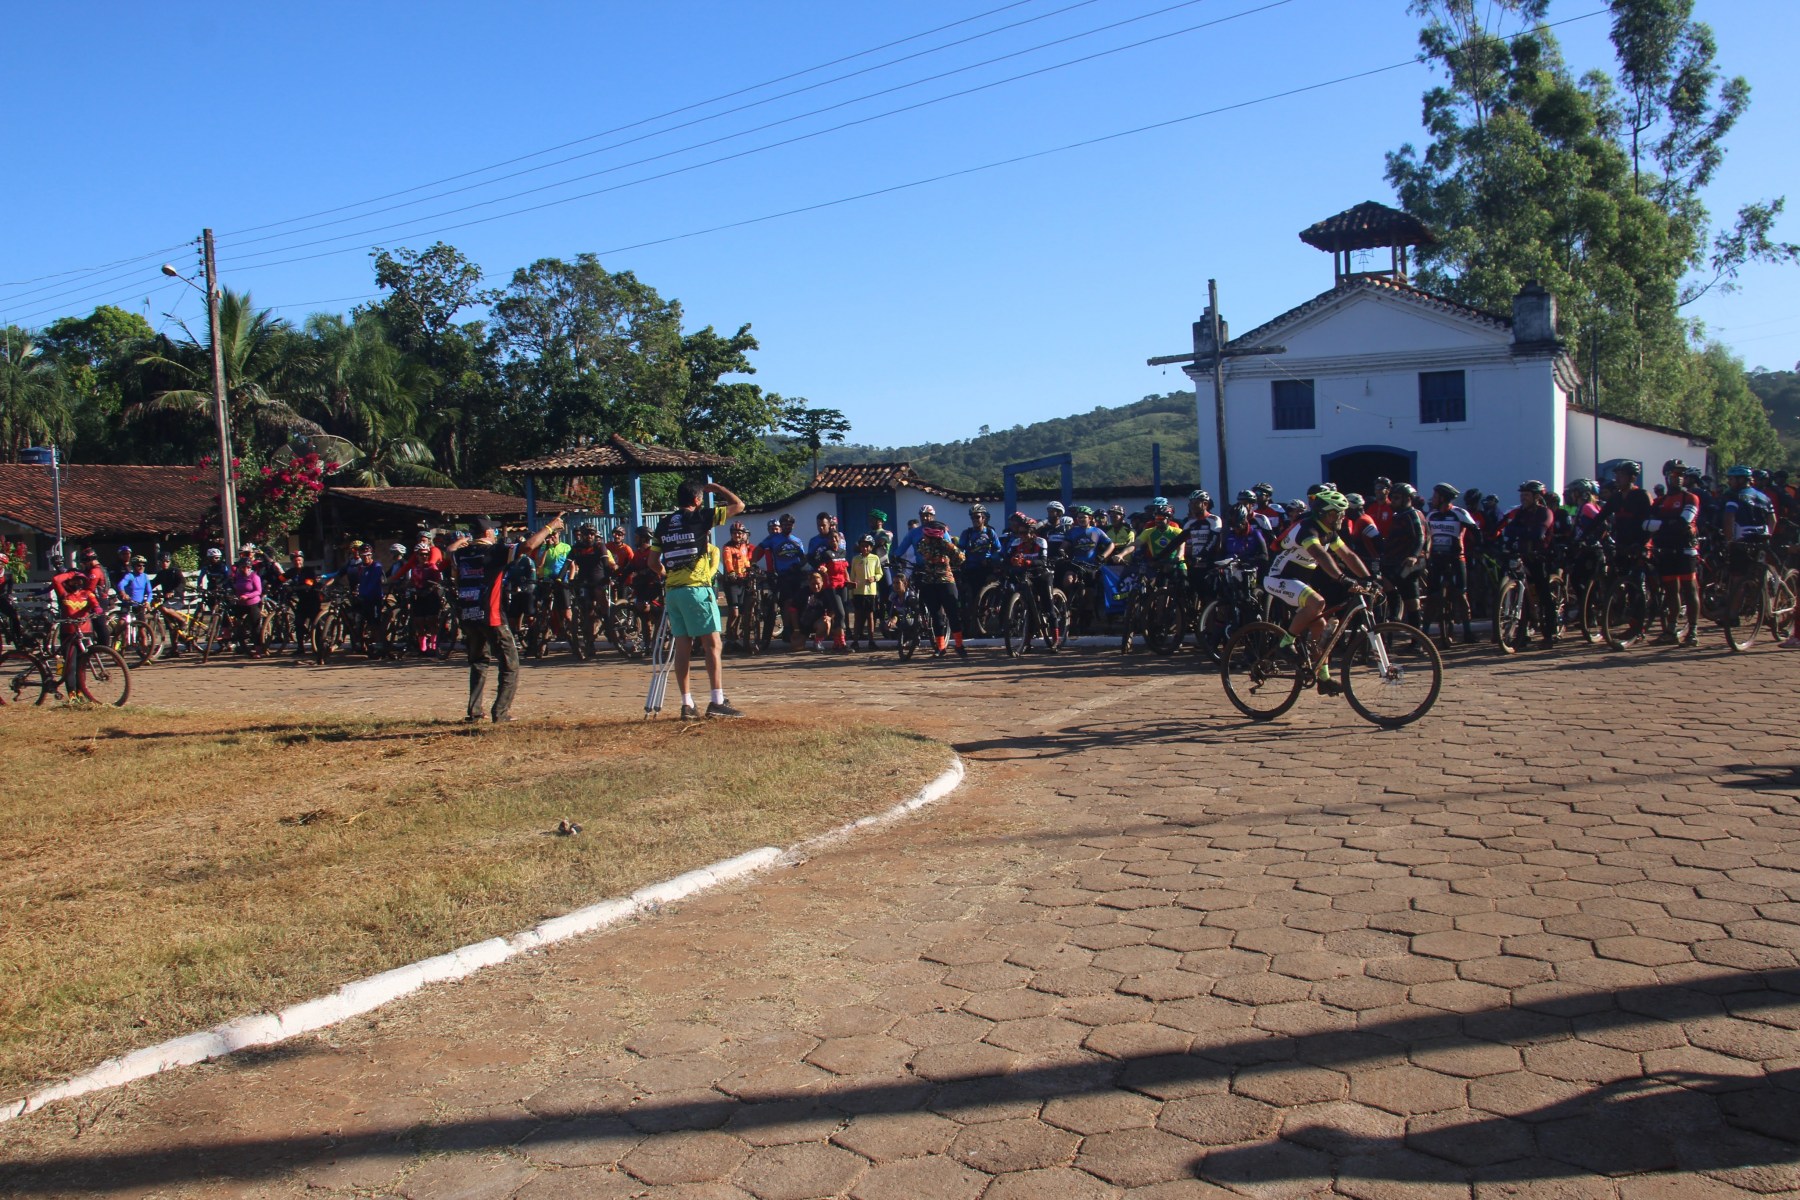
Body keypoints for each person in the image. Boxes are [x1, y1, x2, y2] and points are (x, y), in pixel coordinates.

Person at [449, 514, 563, 723]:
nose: (495, 534)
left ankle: (474, 712)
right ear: (487, 532)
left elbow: (450, 553)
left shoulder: (462, 554)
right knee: (510, 664)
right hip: (491, 616)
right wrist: (550, 526)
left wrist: (463, 541)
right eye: (493, 530)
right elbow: (528, 546)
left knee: (478, 663)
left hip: (468, 615)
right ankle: (500, 712)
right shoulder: (494, 551)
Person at [650, 478, 746, 718]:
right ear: (696, 499)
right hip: (697, 589)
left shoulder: (663, 524)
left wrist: (669, 575)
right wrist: (720, 488)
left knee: (683, 646)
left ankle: (687, 704)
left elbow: (652, 562)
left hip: (673, 592)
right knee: (713, 644)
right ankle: (717, 701)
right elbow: (739, 505)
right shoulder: (700, 517)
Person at [1263, 489, 1372, 694]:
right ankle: (1285, 644)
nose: (1342, 517)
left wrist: (1369, 578)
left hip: (1297, 581)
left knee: (1320, 627)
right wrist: (1343, 579)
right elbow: (1321, 556)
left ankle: (1323, 678)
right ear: (1327, 514)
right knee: (1318, 602)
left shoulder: (1329, 531)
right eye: (1339, 513)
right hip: (1278, 578)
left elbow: (1348, 555)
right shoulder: (1308, 529)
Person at [1646, 459, 1702, 646]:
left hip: (1686, 549)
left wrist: (1660, 524)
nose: (1679, 478)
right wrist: (1668, 524)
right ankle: (1671, 630)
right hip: (1666, 550)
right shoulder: (1659, 501)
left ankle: (1693, 631)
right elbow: (1646, 524)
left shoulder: (1690, 498)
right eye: (1675, 474)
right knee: (1671, 591)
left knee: (1690, 588)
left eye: (1682, 474)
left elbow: (1684, 521)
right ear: (1666, 476)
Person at [1502, 481, 1559, 649]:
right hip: (1524, 555)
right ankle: (1523, 633)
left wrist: (1521, 532)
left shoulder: (1545, 512)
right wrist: (1522, 533)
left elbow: (1538, 534)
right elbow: (1508, 530)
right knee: (1522, 594)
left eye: (1526, 495)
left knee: (1543, 594)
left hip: (1540, 557)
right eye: (1522, 495)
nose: (1523, 498)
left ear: (1536, 497)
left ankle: (1550, 633)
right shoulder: (1521, 512)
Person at [1425, 483, 1479, 645]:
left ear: (1443, 498)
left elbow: (1476, 531)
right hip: (1436, 559)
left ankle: (1467, 632)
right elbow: (1425, 535)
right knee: (1432, 596)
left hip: (1456, 558)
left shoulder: (1460, 513)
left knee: (1461, 593)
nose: (1433, 499)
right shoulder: (1431, 515)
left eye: (1435, 496)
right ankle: (1423, 634)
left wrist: (1476, 549)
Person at [914, 514, 968, 657]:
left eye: (926, 535)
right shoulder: (923, 544)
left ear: (933, 537)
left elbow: (961, 557)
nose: (924, 538)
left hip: (946, 582)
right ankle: (940, 648)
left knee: (953, 614)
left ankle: (959, 645)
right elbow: (921, 552)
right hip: (930, 583)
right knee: (936, 616)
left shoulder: (945, 544)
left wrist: (950, 561)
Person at [1377, 483, 1427, 627]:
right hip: (1395, 561)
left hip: (1410, 563)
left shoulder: (1412, 514)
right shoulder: (1399, 515)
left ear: (1408, 499)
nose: (1392, 501)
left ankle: (1415, 633)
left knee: (1410, 599)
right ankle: (1395, 615)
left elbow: (1420, 537)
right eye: (1392, 497)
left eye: (1397, 498)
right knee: (1387, 581)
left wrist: (1414, 556)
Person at [808, 512, 851, 652]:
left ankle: (837, 643)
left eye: (836, 538)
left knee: (841, 613)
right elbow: (819, 564)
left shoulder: (842, 552)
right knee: (839, 613)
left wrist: (849, 581)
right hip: (830, 585)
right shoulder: (825, 553)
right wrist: (821, 569)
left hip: (842, 585)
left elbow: (845, 568)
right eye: (831, 538)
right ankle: (840, 642)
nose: (834, 540)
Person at [720, 521, 755, 649]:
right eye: (734, 533)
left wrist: (751, 570)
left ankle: (735, 639)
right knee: (734, 612)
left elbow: (746, 562)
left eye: (739, 533)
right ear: (731, 534)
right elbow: (728, 561)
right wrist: (731, 572)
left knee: (741, 612)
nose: (737, 535)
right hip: (732, 582)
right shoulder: (727, 547)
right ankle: (729, 638)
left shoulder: (744, 547)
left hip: (743, 581)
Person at [407, 538, 445, 654]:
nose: (424, 556)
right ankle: (422, 647)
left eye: (426, 554)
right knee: (419, 621)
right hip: (419, 596)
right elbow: (412, 582)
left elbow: (438, 581)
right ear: (417, 556)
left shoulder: (432, 567)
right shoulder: (414, 569)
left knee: (432, 621)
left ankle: (433, 646)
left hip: (431, 595)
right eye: (421, 554)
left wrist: (431, 589)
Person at [849, 534, 885, 650]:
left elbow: (880, 573)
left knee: (870, 617)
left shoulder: (875, 558)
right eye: (862, 546)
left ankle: (871, 641)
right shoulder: (855, 559)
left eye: (867, 546)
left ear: (871, 547)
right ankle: (855, 641)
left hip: (870, 592)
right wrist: (851, 593)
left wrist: (874, 578)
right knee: (858, 617)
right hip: (858, 592)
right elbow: (852, 576)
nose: (864, 548)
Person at [229, 549, 267, 657]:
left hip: (252, 603)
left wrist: (247, 596)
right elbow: (233, 586)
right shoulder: (238, 577)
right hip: (241, 603)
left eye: (248, 567)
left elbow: (258, 591)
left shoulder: (254, 577)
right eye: (243, 567)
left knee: (255, 627)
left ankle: (258, 649)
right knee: (236, 623)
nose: (245, 569)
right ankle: (239, 644)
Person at [288, 548, 323, 656]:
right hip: (302, 601)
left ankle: (319, 647)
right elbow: (280, 578)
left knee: (315, 624)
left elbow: (308, 585)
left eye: (299, 560)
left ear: (302, 561)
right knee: (298, 623)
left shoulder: (308, 571)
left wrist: (293, 588)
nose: (297, 562)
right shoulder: (292, 571)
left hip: (313, 600)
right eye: (295, 560)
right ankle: (300, 648)